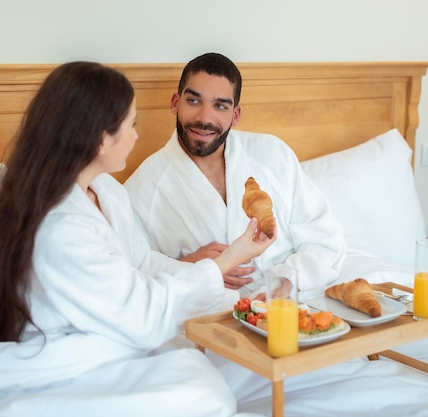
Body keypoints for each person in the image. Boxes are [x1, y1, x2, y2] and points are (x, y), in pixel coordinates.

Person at [0, 61, 274, 417]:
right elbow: (140, 312)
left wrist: (234, 297)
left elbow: (140, 264)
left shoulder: (106, 192)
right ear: (99, 140)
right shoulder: (57, 224)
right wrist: (222, 264)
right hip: (61, 352)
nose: (137, 135)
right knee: (203, 390)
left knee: (201, 377)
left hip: (106, 333)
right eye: (131, 124)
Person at [124, 52, 346, 304]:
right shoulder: (143, 189)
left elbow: (325, 240)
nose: (205, 118)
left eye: (220, 106)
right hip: (210, 312)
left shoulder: (273, 154)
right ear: (176, 102)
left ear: (236, 115)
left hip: (288, 303)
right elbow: (128, 275)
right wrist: (187, 266)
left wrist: (284, 285)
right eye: (194, 101)